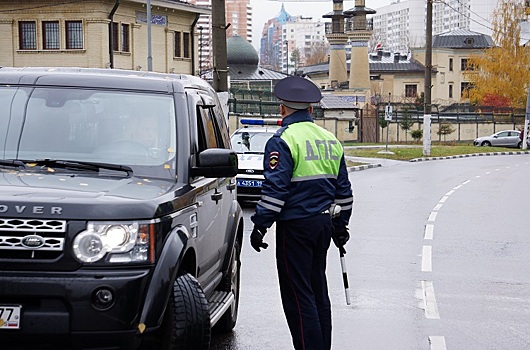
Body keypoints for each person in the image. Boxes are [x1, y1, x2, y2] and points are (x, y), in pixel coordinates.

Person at [250, 76, 354, 350]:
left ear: (282, 109)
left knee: (298, 297)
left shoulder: (282, 140)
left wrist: (260, 225)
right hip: (322, 226)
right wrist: (341, 226)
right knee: (319, 292)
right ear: (311, 109)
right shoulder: (330, 140)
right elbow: (344, 192)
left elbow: (275, 190)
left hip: (295, 228)